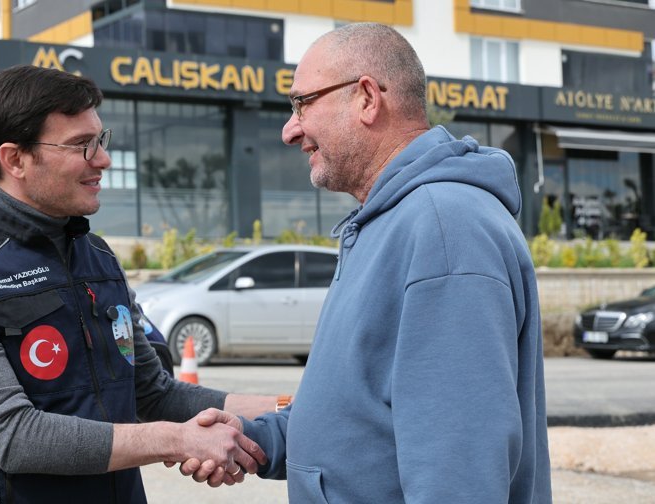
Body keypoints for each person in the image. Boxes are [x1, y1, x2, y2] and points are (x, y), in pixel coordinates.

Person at [188, 22, 553, 502]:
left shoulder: (444, 227)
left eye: (302, 103)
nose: (289, 129)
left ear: (366, 98)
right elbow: (361, 408)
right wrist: (259, 438)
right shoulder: (392, 221)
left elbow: (460, 466)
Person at [0, 65, 275, 504]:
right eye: (82, 145)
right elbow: (15, 434)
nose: (103, 160)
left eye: (100, 140)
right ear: (15, 159)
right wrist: (178, 440)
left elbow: (153, 393)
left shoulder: (98, 256)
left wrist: (288, 406)